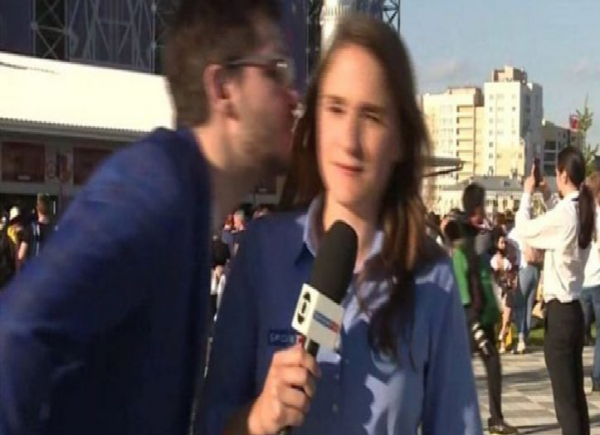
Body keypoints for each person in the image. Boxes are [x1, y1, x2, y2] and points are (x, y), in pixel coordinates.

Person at [0, 1, 297, 434]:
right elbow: (15, 335)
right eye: (276, 71)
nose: (293, 96)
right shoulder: (156, 190)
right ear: (223, 89)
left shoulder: (188, 205)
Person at [198, 14, 481, 435]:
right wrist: (258, 419)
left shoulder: (431, 279)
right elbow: (210, 423)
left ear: (401, 140)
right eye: (335, 109)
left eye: (371, 116)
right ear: (314, 121)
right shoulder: (262, 253)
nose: (349, 140)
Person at [515, 147, 594, 435]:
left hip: (559, 313)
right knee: (575, 398)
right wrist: (548, 195)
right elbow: (562, 221)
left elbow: (525, 229)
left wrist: (527, 193)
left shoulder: (566, 213)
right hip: (574, 310)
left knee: (565, 402)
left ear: (563, 174)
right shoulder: (584, 210)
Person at [445, 213, 518, 434]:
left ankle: (495, 418)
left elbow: (486, 288)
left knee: (492, 367)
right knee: (461, 371)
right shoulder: (460, 257)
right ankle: (453, 418)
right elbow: (463, 295)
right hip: (470, 323)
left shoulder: (479, 257)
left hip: (483, 321)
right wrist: (475, 327)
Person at [580, 171, 600, 392]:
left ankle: (574, 376)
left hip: (581, 281)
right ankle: (597, 377)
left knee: (578, 334)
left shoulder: (582, 215)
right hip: (598, 281)